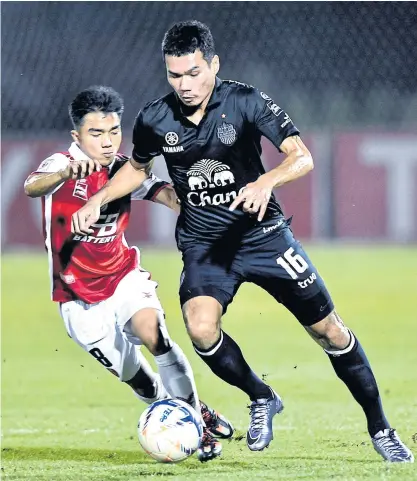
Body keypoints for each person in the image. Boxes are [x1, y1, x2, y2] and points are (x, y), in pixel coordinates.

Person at [70, 23, 414, 463]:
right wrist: (99, 198)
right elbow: (136, 169)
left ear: (213, 65)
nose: (185, 85)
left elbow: (301, 155)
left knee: (329, 331)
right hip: (204, 247)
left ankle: (381, 428)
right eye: (175, 76)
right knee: (199, 328)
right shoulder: (156, 118)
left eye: (194, 73)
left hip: (263, 237)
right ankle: (262, 396)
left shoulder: (245, 101)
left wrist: (266, 182)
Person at [24, 85, 234, 463]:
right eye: (96, 133)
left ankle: (197, 430)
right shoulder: (60, 164)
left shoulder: (124, 167)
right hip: (78, 301)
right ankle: (186, 409)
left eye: (114, 131)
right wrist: (68, 171)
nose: (107, 142)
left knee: (158, 338)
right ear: (77, 136)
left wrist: (185, 204)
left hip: (123, 278)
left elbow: (160, 191)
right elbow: (31, 186)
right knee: (140, 380)